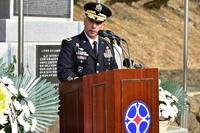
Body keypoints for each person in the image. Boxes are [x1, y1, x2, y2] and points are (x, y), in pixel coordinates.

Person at [57, 2, 118, 82]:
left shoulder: (107, 45)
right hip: (80, 92)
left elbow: (114, 71)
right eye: (91, 21)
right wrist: (79, 83)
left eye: (98, 23)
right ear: (84, 21)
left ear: (103, 25)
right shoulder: (70, 44)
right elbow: (63, 71)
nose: (94, 26)